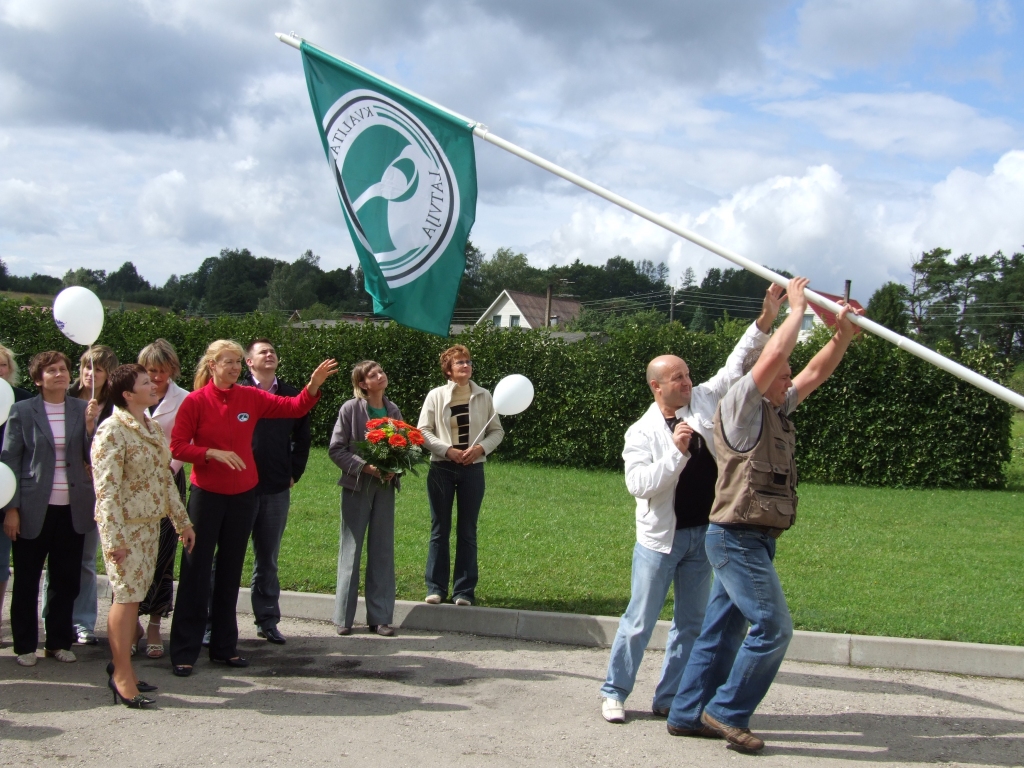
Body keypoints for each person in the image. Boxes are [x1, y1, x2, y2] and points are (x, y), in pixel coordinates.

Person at [667, 277, 862, 752]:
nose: (788, 378)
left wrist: (842, 335)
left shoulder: (778, 406)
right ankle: (727, 710)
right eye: (781, 373)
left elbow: (814, 372)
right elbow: (773, 355)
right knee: (773, 626)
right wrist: (796, 310)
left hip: (757, 537)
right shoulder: (739, 405)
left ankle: (686, 712)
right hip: (735, 537)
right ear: (761, 377)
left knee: (721, 629)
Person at [600, 286, 785, 724]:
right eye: (677, 378)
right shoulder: (639, 433)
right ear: (656, 386)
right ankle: (615, 691)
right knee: (639, 621)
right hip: (659, 542)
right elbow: (639, 485)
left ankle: (669, 697)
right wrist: (676, 455)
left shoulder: (705, 398)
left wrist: (765, 320)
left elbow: (738, 362)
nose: (686, 381)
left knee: (691, 625)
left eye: (686, 374)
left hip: (705, 535)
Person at [167, 340, 338, 677]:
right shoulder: (195, 401)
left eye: (235, 363)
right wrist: (210, 454)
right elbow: (177, 446)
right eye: (227, 362)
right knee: (196, 571)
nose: (232, 368)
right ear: (212, 365)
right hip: (207, 495)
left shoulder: (251, 397)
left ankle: (224, 647)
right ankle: (184, 650)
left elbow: (295, 407)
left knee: (231, 572)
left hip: (243, 495)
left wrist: (313, 385)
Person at [92, 364, 196, 708]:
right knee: (125, 599)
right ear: (126, 394)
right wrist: (113, 540)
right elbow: (105, 491)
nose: (153, 385)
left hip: (151, 526)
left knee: (135, 598)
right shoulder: (112, 431)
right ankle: (121, 675)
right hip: (125, 530)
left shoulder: (149, 426)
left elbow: (165, 480)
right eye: (144, 382)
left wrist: (183, 522)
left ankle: (125, 670)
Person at [1, 351, 96, 666]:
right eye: (52, 370)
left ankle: (57, 642)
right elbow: (10, 461)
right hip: (32, 508)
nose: (60, 374)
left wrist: (92, 428)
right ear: (38, 378)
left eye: (64, 369)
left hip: (73, 508)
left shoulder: (82, 409)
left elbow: (91, 456)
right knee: (27, 579)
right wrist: (11, 509)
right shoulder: (22, 411)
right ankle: (25, 646)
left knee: (65, 579)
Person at [43, 345, 118, 646]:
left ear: (108, 374)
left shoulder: (116, 407)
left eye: (97, 369)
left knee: (86, 560)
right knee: (56, 560)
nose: (90, 373)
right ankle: (54, 620)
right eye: (86, 367)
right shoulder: (64, 400)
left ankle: (83, 621)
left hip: (99, 494)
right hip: (61, 492)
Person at [417, 345, 504, 606]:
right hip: (441, 468)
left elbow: (496, 431)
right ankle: (436, 587)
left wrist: (480, 448)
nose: (465, 366)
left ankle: (464, 591)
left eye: (468, 362)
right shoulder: (435, 396)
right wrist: (448, 451)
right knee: (439, 529)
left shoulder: (485, 396)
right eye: (459, 363)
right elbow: (423, 430)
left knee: (468, 530)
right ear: (448, 370)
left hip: (473, 470)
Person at [239, 338, 311, 645]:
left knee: (267, 558)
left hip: (276, 487)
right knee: (227, 558)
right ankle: (213, 621)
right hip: (238, 488)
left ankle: (267, 620)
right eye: (262, 352)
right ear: (249, 362)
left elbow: (303, 436)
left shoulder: (292, 394)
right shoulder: (237, 392)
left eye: (273, 352)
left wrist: (293, 471)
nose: (269, 355)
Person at [328, 360, 402, 636]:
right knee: (351, 549)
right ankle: (343, 619)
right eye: (373, 375)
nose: (381, 376)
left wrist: (395, 468)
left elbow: (404, 445)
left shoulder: (393, 410)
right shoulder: (350, 409)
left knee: (382, 550)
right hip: (357, 486)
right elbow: (336, 449)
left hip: (384, 488)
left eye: (381, 371)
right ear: (362, 384)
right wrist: (365, 466)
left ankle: (380, 618)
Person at [134, 339, 190, 659]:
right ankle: (132, 622)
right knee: (135, 552)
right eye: (150, 371)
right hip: (135, 485)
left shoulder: (184, 399)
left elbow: (188, 438)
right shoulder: (129, 393)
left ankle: (155, 622)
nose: (155, 377)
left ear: (171, 370)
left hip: (169, 478)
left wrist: (170, 468)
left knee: (163, 553)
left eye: (161, 371)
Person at [0, 343, 32, 640]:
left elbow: (22, 457)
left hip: (7, 497)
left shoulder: (23, 404)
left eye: (2, 364)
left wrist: (12, 507)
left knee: (0, 565)